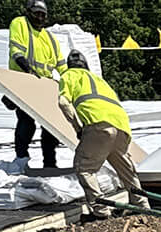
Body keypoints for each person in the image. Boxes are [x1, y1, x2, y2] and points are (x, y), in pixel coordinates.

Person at [57, 52, 149, 220]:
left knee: (84, 168)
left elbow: (63, 102)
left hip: (98, 124)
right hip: (121, 126)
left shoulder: (69, 75)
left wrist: (78, 127)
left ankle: (100, 212)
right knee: (126, 169)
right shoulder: (100, 80)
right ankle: (141, 205)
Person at [8, 0, 61, 172]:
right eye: (36, 14)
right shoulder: (20, 24)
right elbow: (16, 52)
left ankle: (49, 163)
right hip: (24, 80)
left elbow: (61, 65)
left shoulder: (50, 38)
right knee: (26, 122)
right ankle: (22, 158)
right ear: (28, 12)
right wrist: (29, 71)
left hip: (44, 84)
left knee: (50, 126)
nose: (40, 18)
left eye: (43, 15)